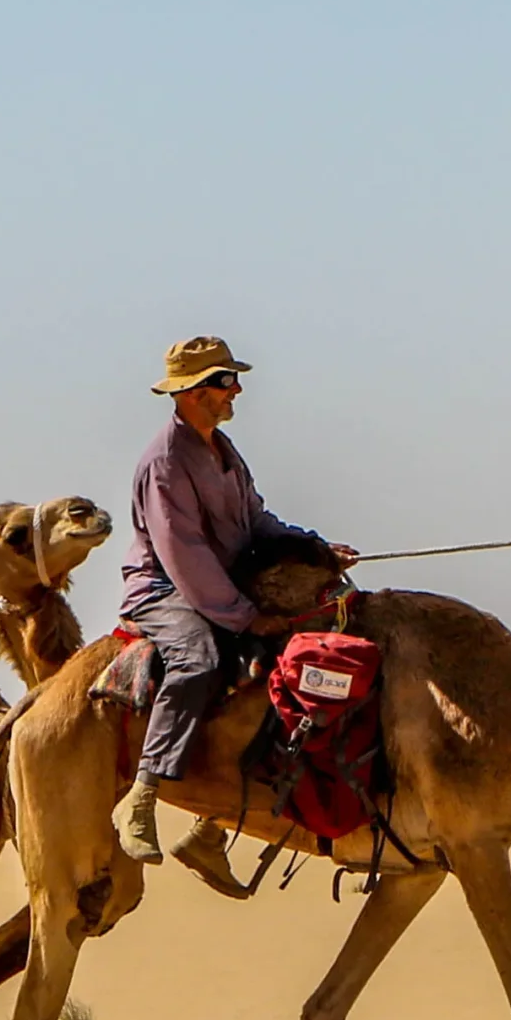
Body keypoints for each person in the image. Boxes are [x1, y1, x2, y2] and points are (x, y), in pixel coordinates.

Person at [112, 338, 353, 869]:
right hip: (166, 590)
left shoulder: (222, 450)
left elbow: (255, 521)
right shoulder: (165, 463)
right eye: (225, 381)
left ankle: (211, 826)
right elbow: (184, 557)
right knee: (199, 658)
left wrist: (312, 547)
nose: (236, 389)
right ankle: (142, 795)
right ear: (193, 393)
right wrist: (244, 615)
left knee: (302, 649)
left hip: (221, 582)